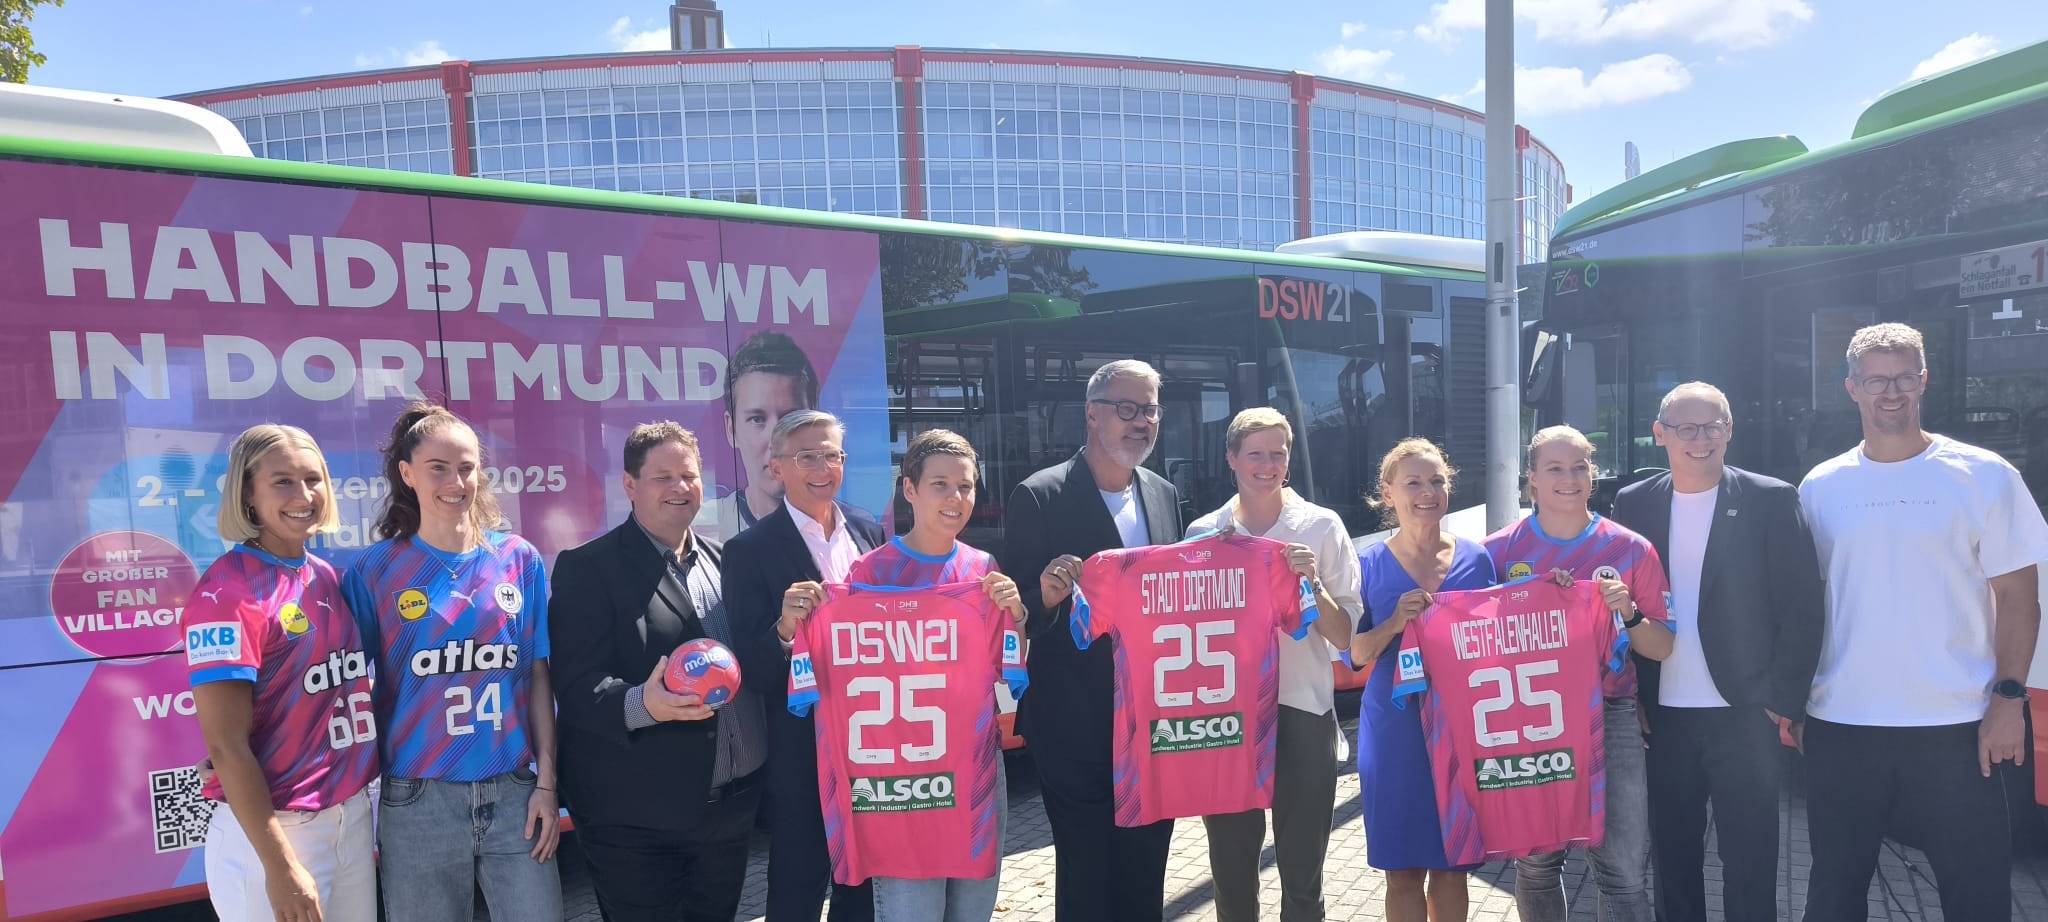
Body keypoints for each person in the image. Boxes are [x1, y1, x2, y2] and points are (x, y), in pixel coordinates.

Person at [1798, 323, 2047, 922]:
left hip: (1959, 725)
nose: (1892, 392)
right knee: (1834, 893)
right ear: (1851, 388)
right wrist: (1792, 700)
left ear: (1924, 380)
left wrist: (2009, 701)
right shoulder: (1820, 487)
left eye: (1905, 377)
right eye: (1877, 380)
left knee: (1979, 895)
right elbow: (1805, 607)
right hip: (1841, 721)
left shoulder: (1984, 475)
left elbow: (2020, 598)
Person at [1609, 382, 1823, 922]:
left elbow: (1802, 606)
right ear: (1660, 435)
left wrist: (1783, 700)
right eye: (1686, 428)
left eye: (1713, 426)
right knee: (1673, 859)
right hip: (1663, 716)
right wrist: (1628, 694)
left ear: (1729, 430)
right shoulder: (1633, 504)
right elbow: (1616, 609)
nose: (1700, 439)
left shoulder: (1771, 498)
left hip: (1746, 714)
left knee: (1750, 860)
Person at [341, 402, 561, 922]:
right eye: (438, 467)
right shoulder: (376, 571)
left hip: (514, 794)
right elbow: (341, 684)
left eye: (466, 466)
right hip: (418, 800)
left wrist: (547, 786)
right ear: (407, 473)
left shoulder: (518, 559)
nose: (455, 481)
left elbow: (537, 677)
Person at [548, 422, 764, 922]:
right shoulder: (589, 568)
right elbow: (578, 688)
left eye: (688, 475)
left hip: (729, 810)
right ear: (629, 484)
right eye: (662, 476)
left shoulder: (723, 561)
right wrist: (644, 704)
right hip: (636, 818)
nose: (679, 488)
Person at [999, 359, 1183, 922]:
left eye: (1150, 409)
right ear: (1091, 414)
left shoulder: (1165, 493)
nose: (1141, 422)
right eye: (1126, 408)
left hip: (1153, 720)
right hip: (1073, 722)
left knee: (1146, 866)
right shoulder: (1039, 495)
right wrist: (1048, 597)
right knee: (1086, 872)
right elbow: (1016, 612)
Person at [822, 428, 1028, 922]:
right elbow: (842, 682)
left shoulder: (983, 570)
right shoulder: (870, 574)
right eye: (940, 484)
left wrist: (1017, 619)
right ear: (909, 490)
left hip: (975, 772)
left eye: (966, 486)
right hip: (903, 784)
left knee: (971, 912)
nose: (956, 498)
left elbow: (1009, 678)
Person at [185, 425, 378, 922]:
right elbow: (227, 747)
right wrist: (281, 867)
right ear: (247, 494)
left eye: (313, 479)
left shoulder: (328, 576)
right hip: (277, 834)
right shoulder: (228, 592)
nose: (304, 495)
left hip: (351, 820)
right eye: (282, 482)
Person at [1486, 425, 1675, 922]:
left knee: (1624, 874)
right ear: (1531, 480)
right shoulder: (1497, 552)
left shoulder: (1633, 550)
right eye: (1554, 468)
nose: (1569, 478)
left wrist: (1630, 614)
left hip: (1611, 715)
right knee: (1537, 866)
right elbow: (1472, 642)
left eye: (1579, 467)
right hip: (1530, 720)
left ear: (1593, 475)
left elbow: (1662, 647)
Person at [1187, 408, 1362, 922]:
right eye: (1256, 454)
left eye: (1278, 454)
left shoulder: (1321, 526)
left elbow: (1346, 634)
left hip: (1302, 709)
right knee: (1232, 873)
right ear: (1232, 460)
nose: (1268, 465)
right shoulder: (1203, 532)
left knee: (1302, 874)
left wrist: (1311, 584)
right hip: (1226, 715)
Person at [723, 409, 884, 922]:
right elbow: (749, 666)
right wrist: (785, 630)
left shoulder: (867, 528)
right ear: (778, 468)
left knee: (863, 878)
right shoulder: (748, 551)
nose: (822, 467)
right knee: (798, 882)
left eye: (831, 454)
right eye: (806, 456)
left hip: (871, 735)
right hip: (803, 749)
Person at [1348, 438, 1492, 922]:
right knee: (1403, 869)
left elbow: (1500, 638)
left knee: (1453, 863)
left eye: (1437, 481)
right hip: (1394, 728)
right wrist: (1392, 624)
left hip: (1463, 725)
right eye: (1413, 482)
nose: (1427, 492)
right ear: (1387, 494)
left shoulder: (1478, 559)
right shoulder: (1365, 565)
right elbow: (1354, 652)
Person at [702, 331, 820, 540]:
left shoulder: (853, 531)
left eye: (791, 418)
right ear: (731, 430)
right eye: (757, 419)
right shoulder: (702, 528)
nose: (776, 440)